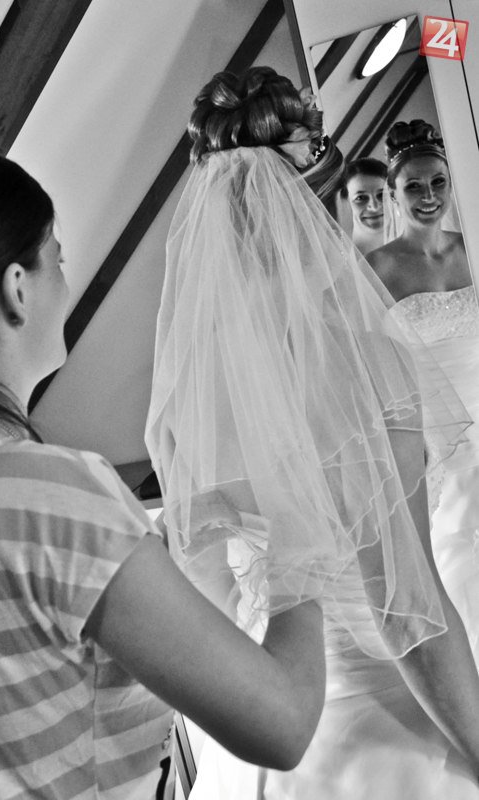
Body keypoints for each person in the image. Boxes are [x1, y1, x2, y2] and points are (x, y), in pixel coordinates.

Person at [0, 144, 332, 800]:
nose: (65, 283)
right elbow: (283, 723)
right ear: (17, 289)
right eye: (57, 261)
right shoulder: (55, 495)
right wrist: (302, 540)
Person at [145, 69, 479, 799]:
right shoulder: (361, 359)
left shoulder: (185, 386)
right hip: (386, 720)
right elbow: (406, 614)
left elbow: (206, 592)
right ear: (307, 206)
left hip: (268, 732)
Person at [368, 119, 479, 666]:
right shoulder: (377, 269)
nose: (428, 195)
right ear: (393, 193)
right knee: (458, 550)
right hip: (434, 435)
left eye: (438, 182)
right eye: (413, 186)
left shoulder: (473, 248)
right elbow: (367, 365)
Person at [339, 157, 387, 254]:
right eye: (360, 198)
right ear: (345, 201)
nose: (374, 207)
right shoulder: (336, 251)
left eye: (381, 195)